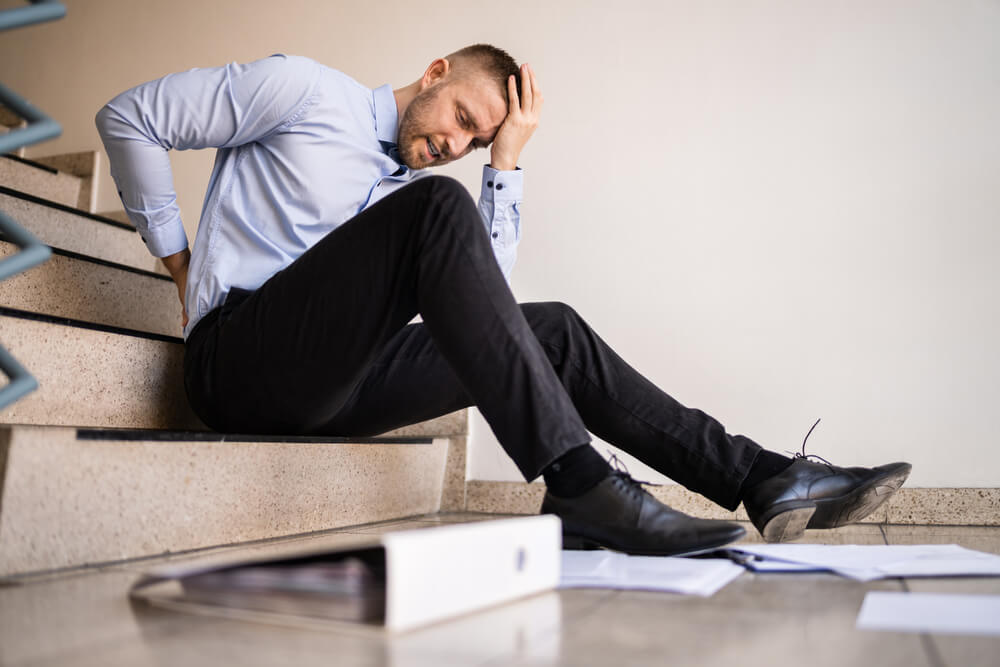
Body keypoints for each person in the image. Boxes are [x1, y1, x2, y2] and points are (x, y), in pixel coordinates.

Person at [96, 44, 911, 554]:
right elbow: (130, 116)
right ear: (434, 72)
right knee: (435, 209)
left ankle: (760, 474)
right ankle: (579, 479)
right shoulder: (305, 92)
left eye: (471, 142)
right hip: (234, 362)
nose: (453, 144)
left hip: (329, 385)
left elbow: (485, 306)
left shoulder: (410, 195)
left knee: (547, 329)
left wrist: (507, 162)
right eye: (459, 121)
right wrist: (176, 262)